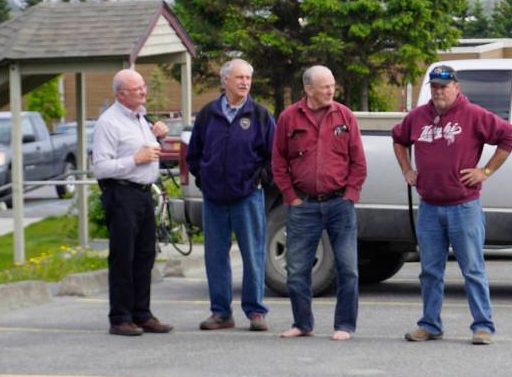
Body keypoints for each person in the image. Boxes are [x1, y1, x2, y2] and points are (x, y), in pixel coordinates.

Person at [392, 65, 512, 345]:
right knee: (430, 271)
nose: (439, 91)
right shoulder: (417, 117)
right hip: (429, 207)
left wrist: (485, 171)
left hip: (464, 206)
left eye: (444, 87)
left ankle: (483, 326)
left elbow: (509, 137)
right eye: (434, 87)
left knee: (472, 269)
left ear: (456, 88)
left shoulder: (473, 115)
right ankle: (430, 324)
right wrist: (407, 170)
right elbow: (398, 139)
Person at [272, 65, 367, 341]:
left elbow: (358, 162)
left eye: (332, 85)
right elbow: (278, 162)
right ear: (308, 89)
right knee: (297, 269)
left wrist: (350, 195)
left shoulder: (345, 116)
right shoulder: (289, 118)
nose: (330, 90)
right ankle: (302, 323)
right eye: (324, 86)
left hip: (340, 204)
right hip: (304, 206)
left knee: (348, 268)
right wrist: (291, 197)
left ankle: (345, 325)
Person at [186, 59, 276, 332]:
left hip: (247, 197)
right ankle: (221, 313)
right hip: (214, 199)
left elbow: (273, 157)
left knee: (253, 254)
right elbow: (194, 155)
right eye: (239, 77)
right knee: (215, 256)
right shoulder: (207, 114)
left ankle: (255, 311)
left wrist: (259, 179)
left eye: (248, 77)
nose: (245, 82)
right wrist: (205, 178)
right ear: (225, 80)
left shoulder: (260, 114)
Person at [92, 69, 173, 337]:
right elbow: (101, 168)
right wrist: (134, 160)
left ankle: (142, 313)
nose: (143, 91)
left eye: (143, 86)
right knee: (123, 257)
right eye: (136, 88)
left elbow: (148, 152)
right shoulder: (109, 122)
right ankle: (120, 317)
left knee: (144, 256)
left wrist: (158, 137)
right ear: (121, 94)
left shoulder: (141, 118)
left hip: (143, 193)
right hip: (121, 194)